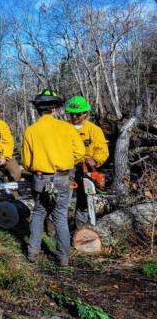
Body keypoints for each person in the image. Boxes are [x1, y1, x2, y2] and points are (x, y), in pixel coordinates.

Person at [22, 89, 85, 267]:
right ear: (55, 109)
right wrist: (65, 161)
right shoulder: (67, 128)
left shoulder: (31, 131)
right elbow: (80, 153)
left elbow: (26, 162)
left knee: (38, 213)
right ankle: (63, 258)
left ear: (38, 110)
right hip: (62, 178)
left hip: (40, 179)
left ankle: (32, 253)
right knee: (60, 217)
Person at [64, 95, 109, 228]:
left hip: (86, 168)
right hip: (67, 168)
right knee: (63, 200)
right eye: (71, 114)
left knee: (84, 201)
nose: (74, 117)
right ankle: (57, 230)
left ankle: (80, 229)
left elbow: (102, 150)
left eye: (77, 114)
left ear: (85, 113)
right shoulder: (63, 129)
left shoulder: (94, 130)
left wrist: (95, 160)